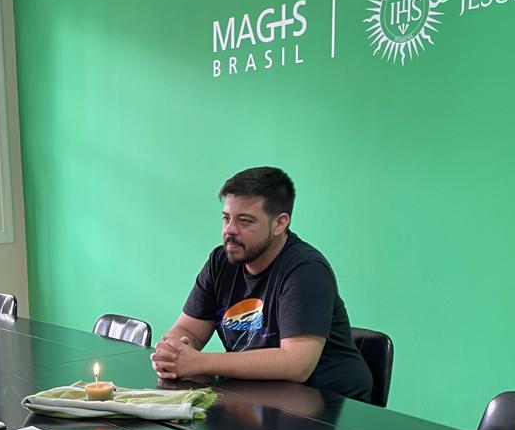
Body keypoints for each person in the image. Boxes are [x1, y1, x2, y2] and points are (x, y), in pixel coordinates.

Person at [151, 167, 373, 401]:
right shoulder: (221, 261)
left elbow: (297, 364)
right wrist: (173, 352)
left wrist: (198, 362)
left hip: (329, 404)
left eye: (245, 221)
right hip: (258, 398)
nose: (230, 230)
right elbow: (188, 330)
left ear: (279, 224)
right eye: (226, 218)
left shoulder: (306, 270)